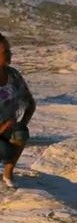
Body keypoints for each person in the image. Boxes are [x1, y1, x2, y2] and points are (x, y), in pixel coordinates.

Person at [0, 33, 36, 189]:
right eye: (5, 52)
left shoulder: (13, 75)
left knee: (21, 133)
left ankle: (8, 174)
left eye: (9, 51)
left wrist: (21, 124)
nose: (9, 55)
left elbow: (30, 103)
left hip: (7, 130)